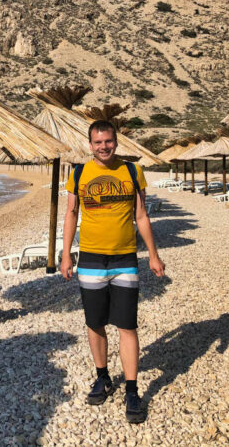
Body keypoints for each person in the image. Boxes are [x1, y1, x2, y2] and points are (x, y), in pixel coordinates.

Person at [60, 120, 165, 424]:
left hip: (125, 259)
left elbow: (141, 216)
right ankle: (103, 377)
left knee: (127, 325)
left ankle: (132, 389)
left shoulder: (132, 172)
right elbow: (71, 214)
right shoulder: (79, 174)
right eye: (98, 142)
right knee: (95, 324)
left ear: (116, 142)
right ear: (89, 144)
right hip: (91, 259)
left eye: (108, 141)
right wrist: (66, 255)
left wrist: (154, 256)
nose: (103, 146)